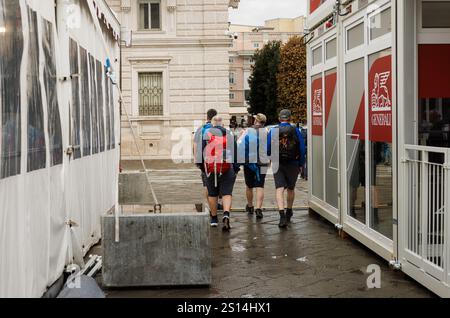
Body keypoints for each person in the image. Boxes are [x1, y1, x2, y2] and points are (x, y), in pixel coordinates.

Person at [268, 109, 306, 228]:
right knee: (291, 188)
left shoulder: (273, 130)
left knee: (279, 188)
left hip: (277, 162)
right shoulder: (295, 130)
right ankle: (289, 210)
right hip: (293, 163)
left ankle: (281, 214)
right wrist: (301, 163)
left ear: (279, 118)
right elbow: (302, 148)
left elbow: (268, 146)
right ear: (290, 118)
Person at [203, 116, 238, 231]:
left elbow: (201, 153)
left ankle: (213, 219)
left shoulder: (207, 135)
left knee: (212, 194)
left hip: (211, 168)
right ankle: (226, 214)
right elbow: (235, 153)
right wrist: (236, 168)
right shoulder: (229, 135)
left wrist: (203, 169)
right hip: (227, 167)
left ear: (213, 124)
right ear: (222, 124)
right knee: (227, 193)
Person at [238, 113, 268, 220]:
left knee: (249, 185)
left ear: (256, 120)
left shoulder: (248, 131)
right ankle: (259, 208)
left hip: (249, 163)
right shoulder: (267, 132)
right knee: (260, 185)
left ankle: (250, 206)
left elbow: (240, 146)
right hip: (263, 162)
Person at [193, 109, 224, 210]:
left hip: (205, 162)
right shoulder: (220, 128)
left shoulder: (201, 129)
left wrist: (196, 159)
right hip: (219, 161)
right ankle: (218, 202)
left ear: (207, 117)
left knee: (207, 184)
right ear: (216, 117)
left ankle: (211, 206)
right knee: (220, 181)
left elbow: (195, 144)